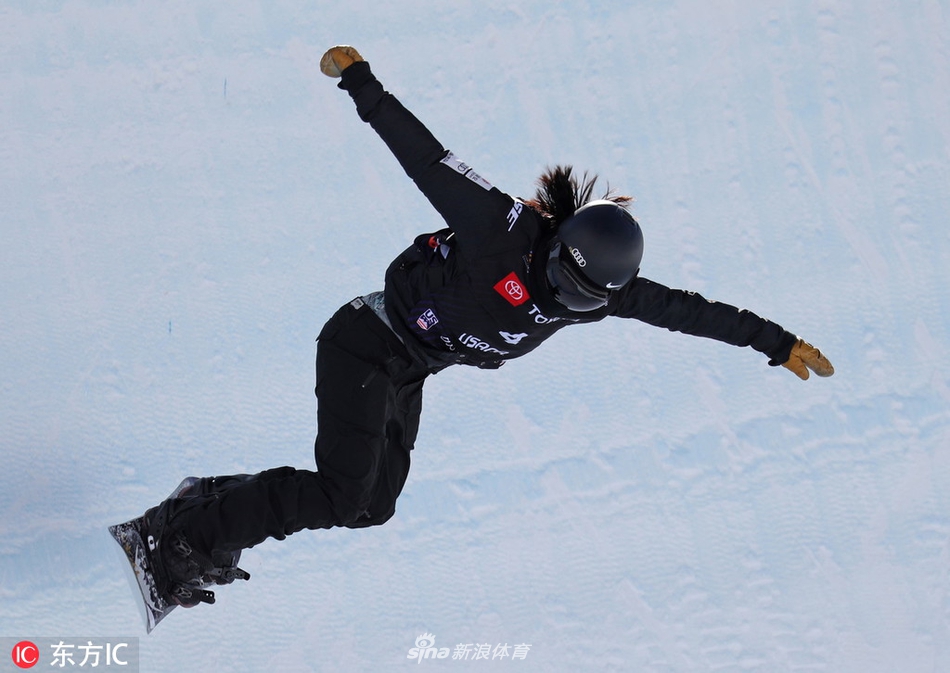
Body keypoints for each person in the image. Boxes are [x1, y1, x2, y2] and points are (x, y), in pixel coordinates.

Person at [130, 46, 834, 609]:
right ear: (556, 243)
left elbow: (688, 310)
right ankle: (183, 540)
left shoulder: (600, 296)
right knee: (344, 494)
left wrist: (775, 342)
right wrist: (361, 83)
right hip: (364, 341)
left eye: (581, 297)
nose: (559, 294)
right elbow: (427, 158)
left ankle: (206, 506)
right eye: (559, 272)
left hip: (409, 365)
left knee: (372, 505)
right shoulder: (501, 230)